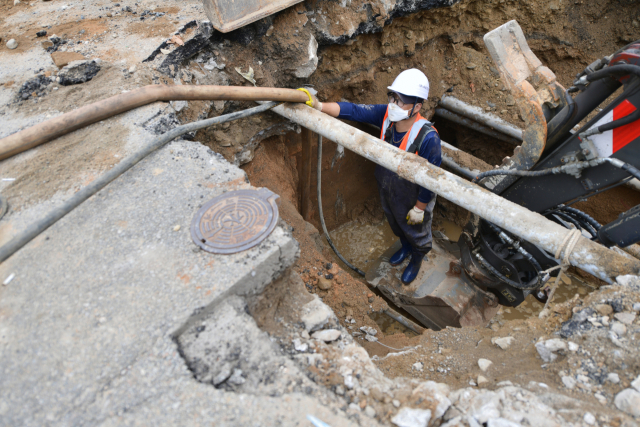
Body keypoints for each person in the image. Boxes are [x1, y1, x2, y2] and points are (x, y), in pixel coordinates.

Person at [302, 69, 442, 285]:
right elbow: (353, 110)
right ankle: (404, 247)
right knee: (396, 223)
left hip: (413, 196)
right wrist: (319, 106)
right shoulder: (386, 115)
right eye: (393, 98)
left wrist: (420, 208)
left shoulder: (428, 138)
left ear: (417, 107)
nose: (394, 104)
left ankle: (417, 257)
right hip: (387, 187)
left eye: (401, 101)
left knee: (417, 232)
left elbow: (432, 180)